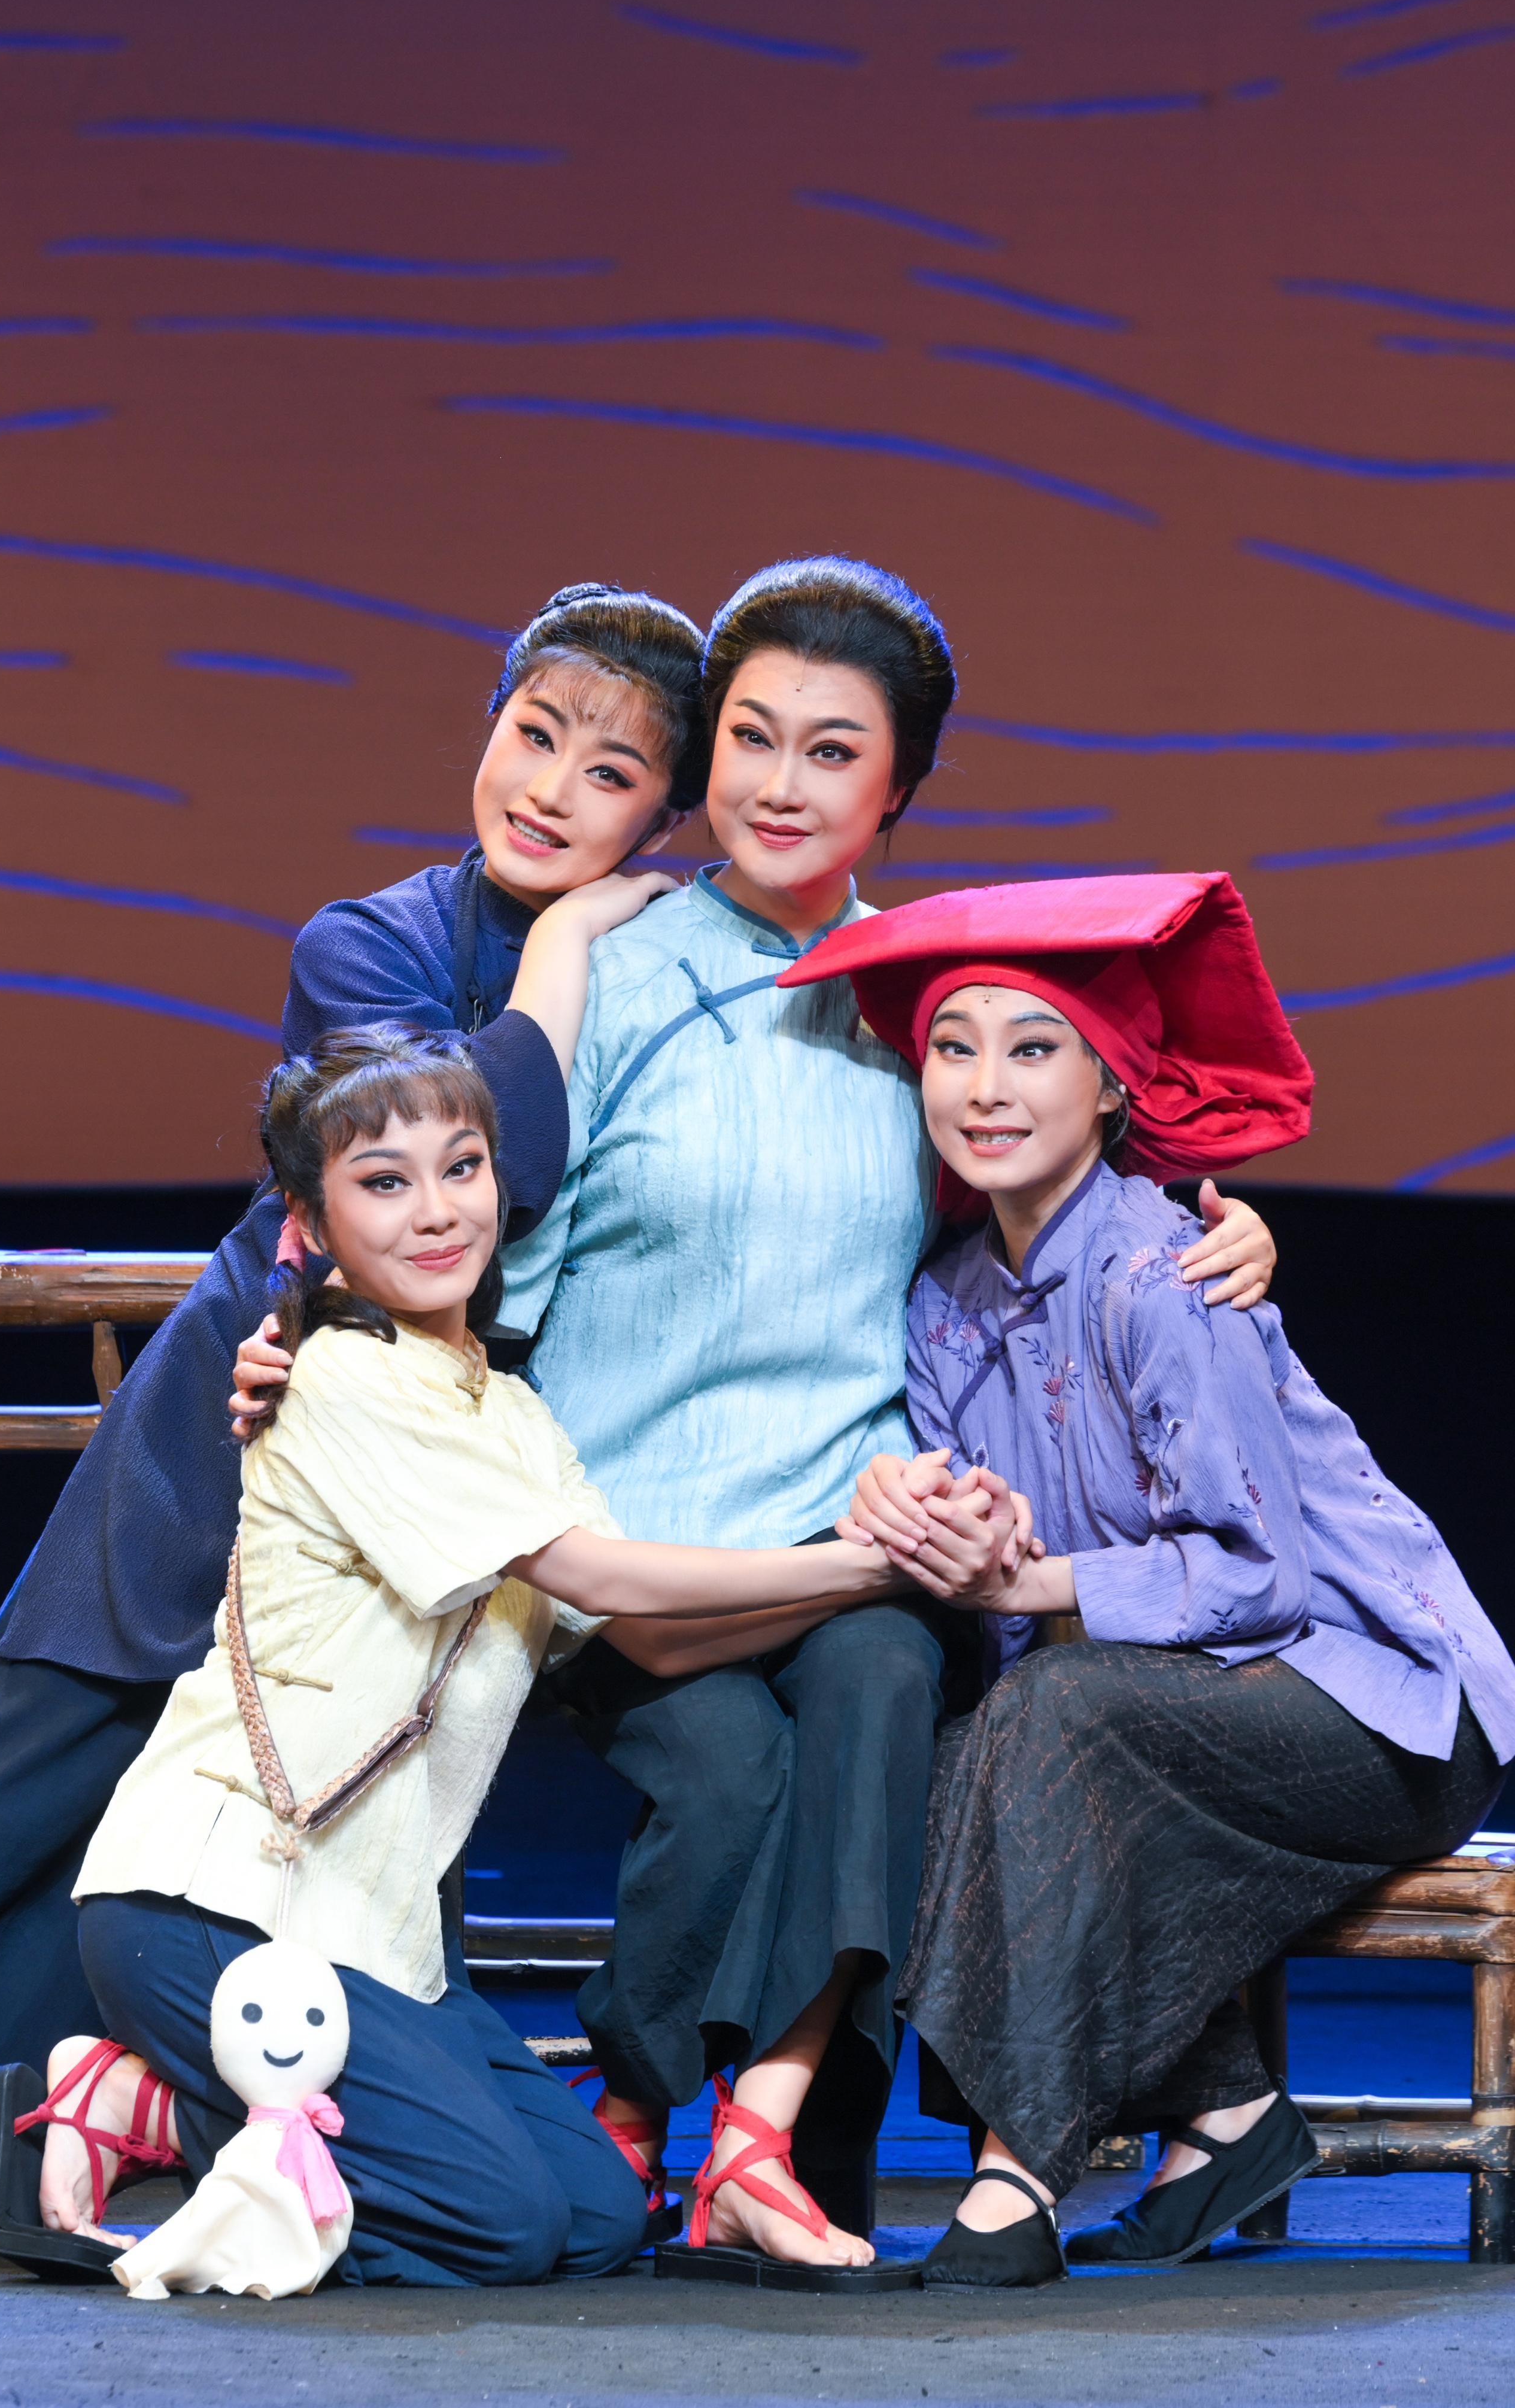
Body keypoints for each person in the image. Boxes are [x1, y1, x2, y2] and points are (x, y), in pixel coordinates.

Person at [233, 563, 1279, 2276]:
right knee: (728, 1770)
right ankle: (647, 2098)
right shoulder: (615, 963)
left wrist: (1221, 1222)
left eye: (833, 751)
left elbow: (1063, 1172)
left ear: (899, 788)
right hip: (629, 1545)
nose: (782, 785)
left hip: (848, 1528)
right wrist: (316, 1344)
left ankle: (755, 2135)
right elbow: (474, 1239)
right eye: (750, 738)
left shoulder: (922, 1000)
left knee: (884, 1681)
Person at [0, 583, 709, 2179]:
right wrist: (562, 945)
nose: (552, 789)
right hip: (245, 1428)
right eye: (534, 734)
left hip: (442, 1458)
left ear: (665, 816)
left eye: (611, 772)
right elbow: (487, 1160)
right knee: (3, 1789)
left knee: (365, 1801)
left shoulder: (673, 966)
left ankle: (180, 2112)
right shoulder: (370, 941)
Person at [16, 1024, 908, 2289]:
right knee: (502, 2226)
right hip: (224, 1901)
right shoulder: (341, 1377)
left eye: (464, 1166)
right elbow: (600, 1577)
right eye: (384, 1181)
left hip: (374, 1942)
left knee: (597, 2217)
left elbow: (647, 1634)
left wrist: (870, 1578)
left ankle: (189, 2110)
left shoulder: (510, 1410)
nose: (438, 1211)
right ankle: (149, 2102)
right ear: (311, 1223)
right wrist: (866, 1565)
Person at [781, 871, 1515, 2286]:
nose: (985, 1087)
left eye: (1033, 1049)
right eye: (953, 1048)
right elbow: (999, 1564)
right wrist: (954, 1536)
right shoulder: (944, 1303)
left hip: (1384, 1710)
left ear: (1113, 1087)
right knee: (957, 1740)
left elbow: (1259, 1580)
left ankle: (1018, 2176)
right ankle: (1225, 2113)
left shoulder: (1167, 1278)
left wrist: (1031, 1583)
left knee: (1053, 1717)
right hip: (1171, 1710)